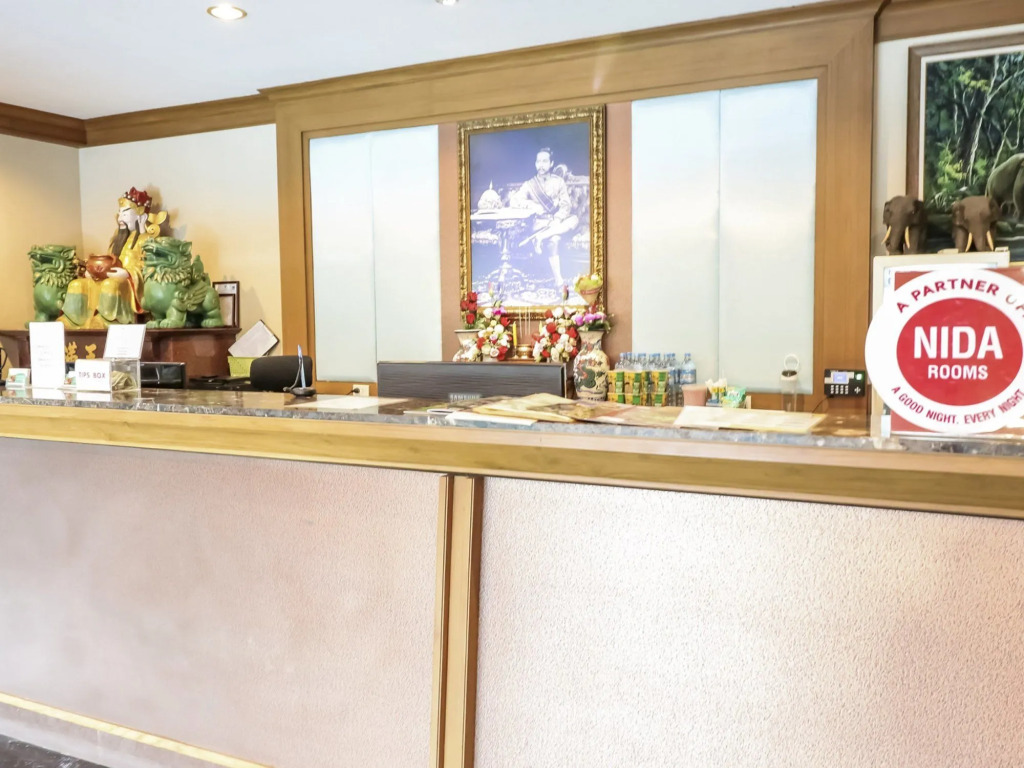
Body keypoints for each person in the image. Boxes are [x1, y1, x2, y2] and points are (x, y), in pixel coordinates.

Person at [509, 147, 579, 288]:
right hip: (540, 223)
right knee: (554, 239)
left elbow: (566, 205)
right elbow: (514, 201)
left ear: (551, 163)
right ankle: (559, 280)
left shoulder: (559, 182)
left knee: (574, 219)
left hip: (557, 222)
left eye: (545, 161)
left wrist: (557, 219)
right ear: (535, 164)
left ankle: (540, 237)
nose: (541, 165)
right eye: (538, 161)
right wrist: (532, 205)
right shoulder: (530, 184)